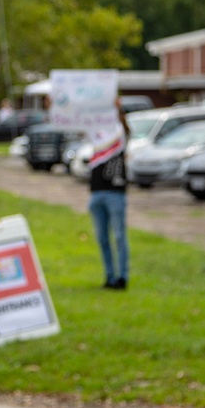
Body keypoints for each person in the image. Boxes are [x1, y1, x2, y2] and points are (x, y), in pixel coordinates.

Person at [87, 98, 129, 290]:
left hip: (115, 192)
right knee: (103, 239)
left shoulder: (119, 133)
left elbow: (125, 129)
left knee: (119, 236)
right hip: (96, 193)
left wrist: (116, 108)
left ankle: (122, 277)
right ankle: (109, 276)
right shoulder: (96, 134)